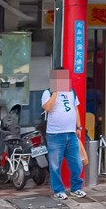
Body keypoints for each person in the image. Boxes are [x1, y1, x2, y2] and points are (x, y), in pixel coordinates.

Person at [41, 68, 87, 201]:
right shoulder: (47, 92)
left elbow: (75, 109)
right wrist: (55, 92)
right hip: (55, 135)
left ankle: (76, 188)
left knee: (77, 163)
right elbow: (47, 108)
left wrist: (78, 127)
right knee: (55, 165)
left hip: (71, 134)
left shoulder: (71, 91)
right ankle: (58, 190)